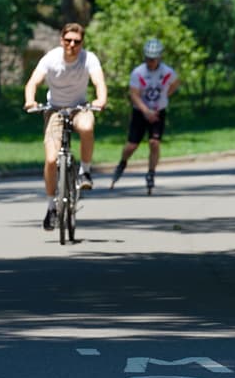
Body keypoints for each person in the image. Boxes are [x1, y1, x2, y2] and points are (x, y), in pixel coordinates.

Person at [23, 22, 108, 231]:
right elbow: (33, 82)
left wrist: (101, 100)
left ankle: (85, 172)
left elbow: (99, 82)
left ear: (82, 43)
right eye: (68, 40)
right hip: (54, 109)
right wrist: (30, 100)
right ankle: (51, 207)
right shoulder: (51, 59)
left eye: (76, 42)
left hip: (79, 107)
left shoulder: (89, 59)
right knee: (51, 159)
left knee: (87, 127)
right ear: (61, 40)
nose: (72, 45)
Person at [111, 38, 180, 193]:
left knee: (154, 143)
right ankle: (122, 163)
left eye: (154, 59)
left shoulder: (167, 72)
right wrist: (146, 111)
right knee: (132, 145)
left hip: (158, 112)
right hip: (140, 112)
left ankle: (151, 172)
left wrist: (165, 96)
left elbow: (175, 83)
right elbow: (134, 94)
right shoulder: (138, 72)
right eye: (148, 58)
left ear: (159, 58)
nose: (151, 62)